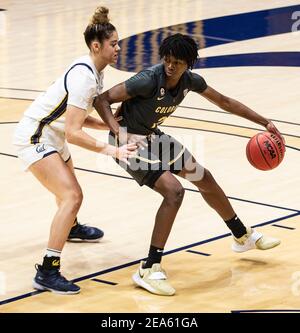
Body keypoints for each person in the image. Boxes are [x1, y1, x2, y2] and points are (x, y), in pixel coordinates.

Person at [94, 33, 283, 296]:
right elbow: (101, 100)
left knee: (204, 178)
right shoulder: (148, 79)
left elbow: (225, 102)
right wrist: (118, 132)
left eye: (178, 63)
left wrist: (264, 122)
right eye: (168, 60)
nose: (171, 66)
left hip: (152, 137)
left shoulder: (191, 81)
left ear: (188, 64)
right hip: (130, 143)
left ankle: (241, 236)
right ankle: (149, 267)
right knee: (174, 192)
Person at [13, 6, 137, 295]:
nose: (118, 47)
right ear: (97, 46)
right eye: (113, 43)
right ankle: (47, 270)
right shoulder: (84, 76)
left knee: (68, 194)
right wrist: (111, 150)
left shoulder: (93, 70)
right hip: (35, 136)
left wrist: (111, 123)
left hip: (52, 134)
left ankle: (69, 227)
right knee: (72, 195)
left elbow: (77, 120)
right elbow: (73, 131)